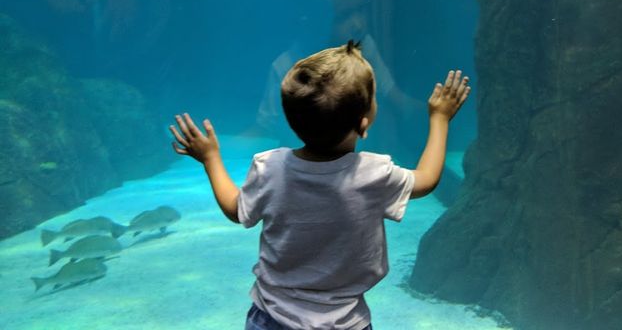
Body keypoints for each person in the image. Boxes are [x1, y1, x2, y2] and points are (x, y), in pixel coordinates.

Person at [169, 40, 470, 330]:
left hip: (270, 318)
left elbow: (236, 210)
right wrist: (440, 119)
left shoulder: (270, 168)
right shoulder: (374, 174)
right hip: (344, 322)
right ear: (364, 125)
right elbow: (427, 179)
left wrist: (210, 159)